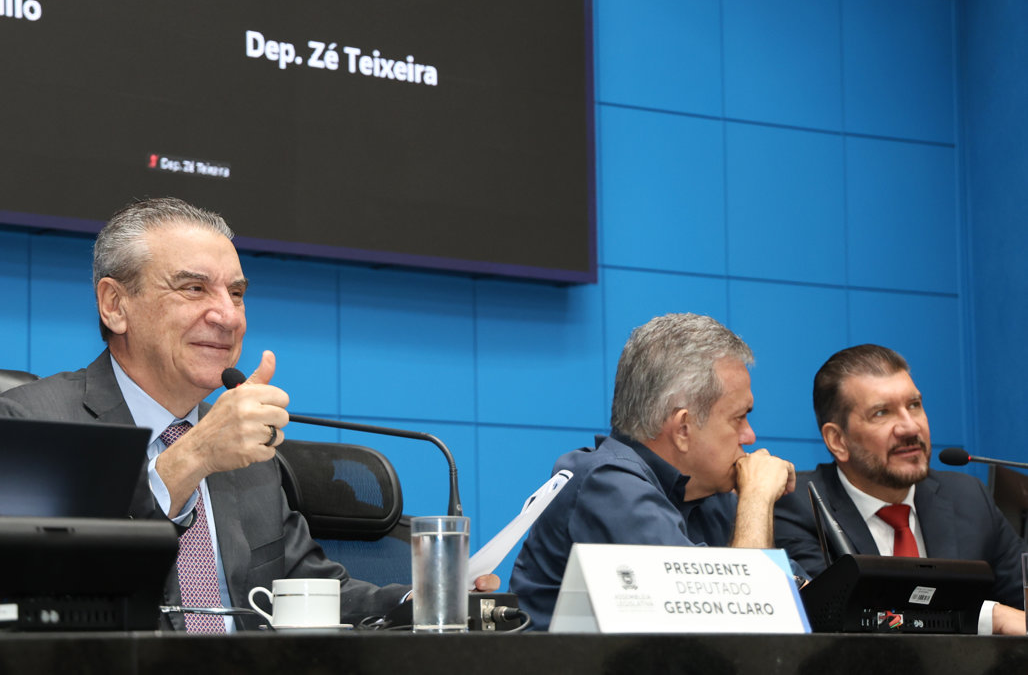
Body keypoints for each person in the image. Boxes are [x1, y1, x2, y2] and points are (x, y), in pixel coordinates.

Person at [0, 197, 497, 632]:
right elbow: (52, 592)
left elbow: (311, 593)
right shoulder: (33, 423)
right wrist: (192, 456)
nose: (228, 316)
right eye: (194, 289)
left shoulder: (246, 450)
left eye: (236, 293)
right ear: (115, 305)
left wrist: (422, 601)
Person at [509, 313, 801, 630]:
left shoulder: (710, 495)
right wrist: (756, 499)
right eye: (739, 418)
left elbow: (810, 602)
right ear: (683, 428)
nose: (750, 436)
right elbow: (736, 629)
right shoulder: (606, 485)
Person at [773, 344, 1027, 635]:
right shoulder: (799, 506)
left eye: (914, 405)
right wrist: (992, 616)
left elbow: (1022, 593)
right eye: (882, 413)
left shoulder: (968, 497)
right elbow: (831, 616)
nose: (910, 428)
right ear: (837, 440)